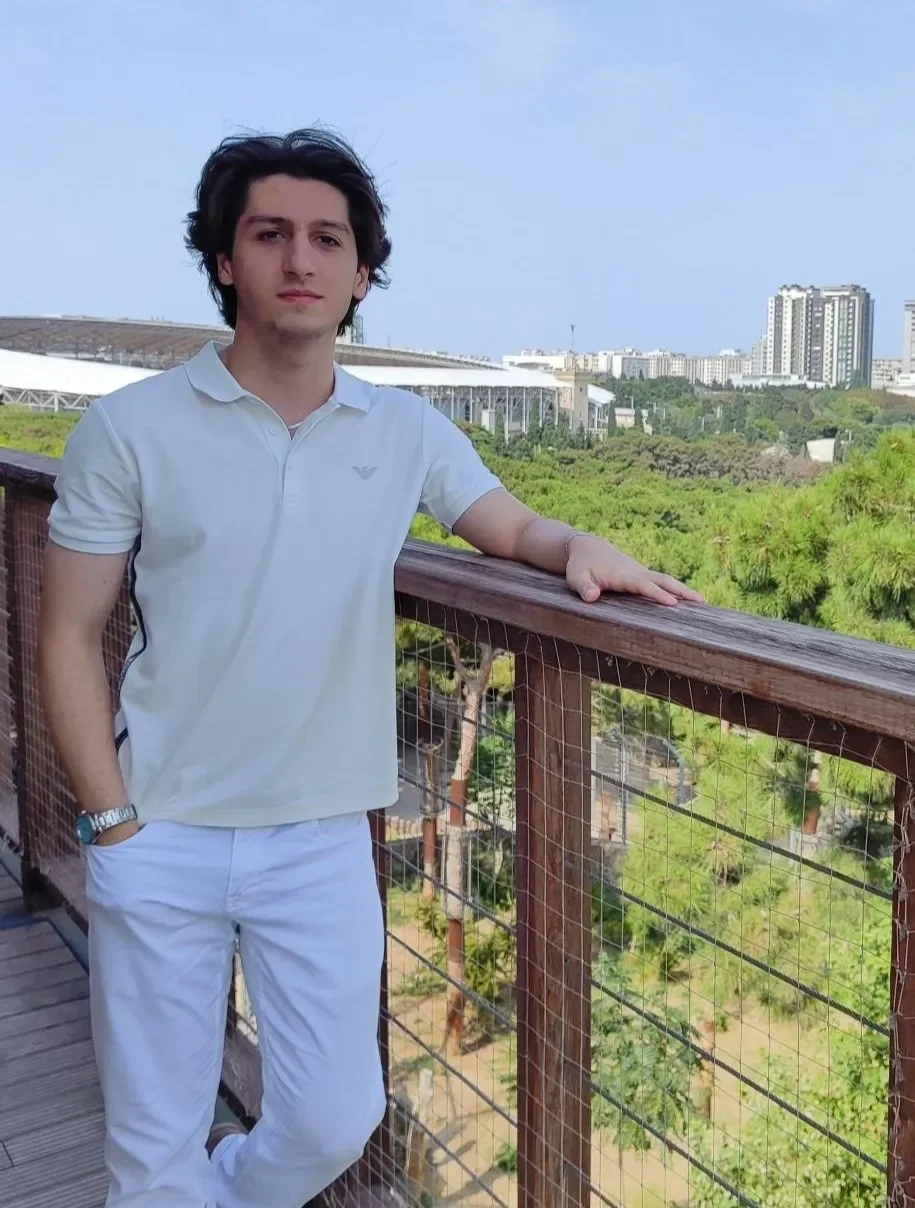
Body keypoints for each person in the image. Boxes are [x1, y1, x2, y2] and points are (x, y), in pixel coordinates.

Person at [38, 128, 702, 1208]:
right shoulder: (129, 428)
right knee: (149, 1144)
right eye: (270, 234)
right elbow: (67, 633)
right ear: (223, 259)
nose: (300, 259)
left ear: (360, 273)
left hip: (321, 837)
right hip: (161, 824)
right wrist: (108, 822)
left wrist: (578, 545)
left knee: (334, 1115)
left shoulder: (402, 429)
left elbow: (511, 523)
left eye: (327, 240)